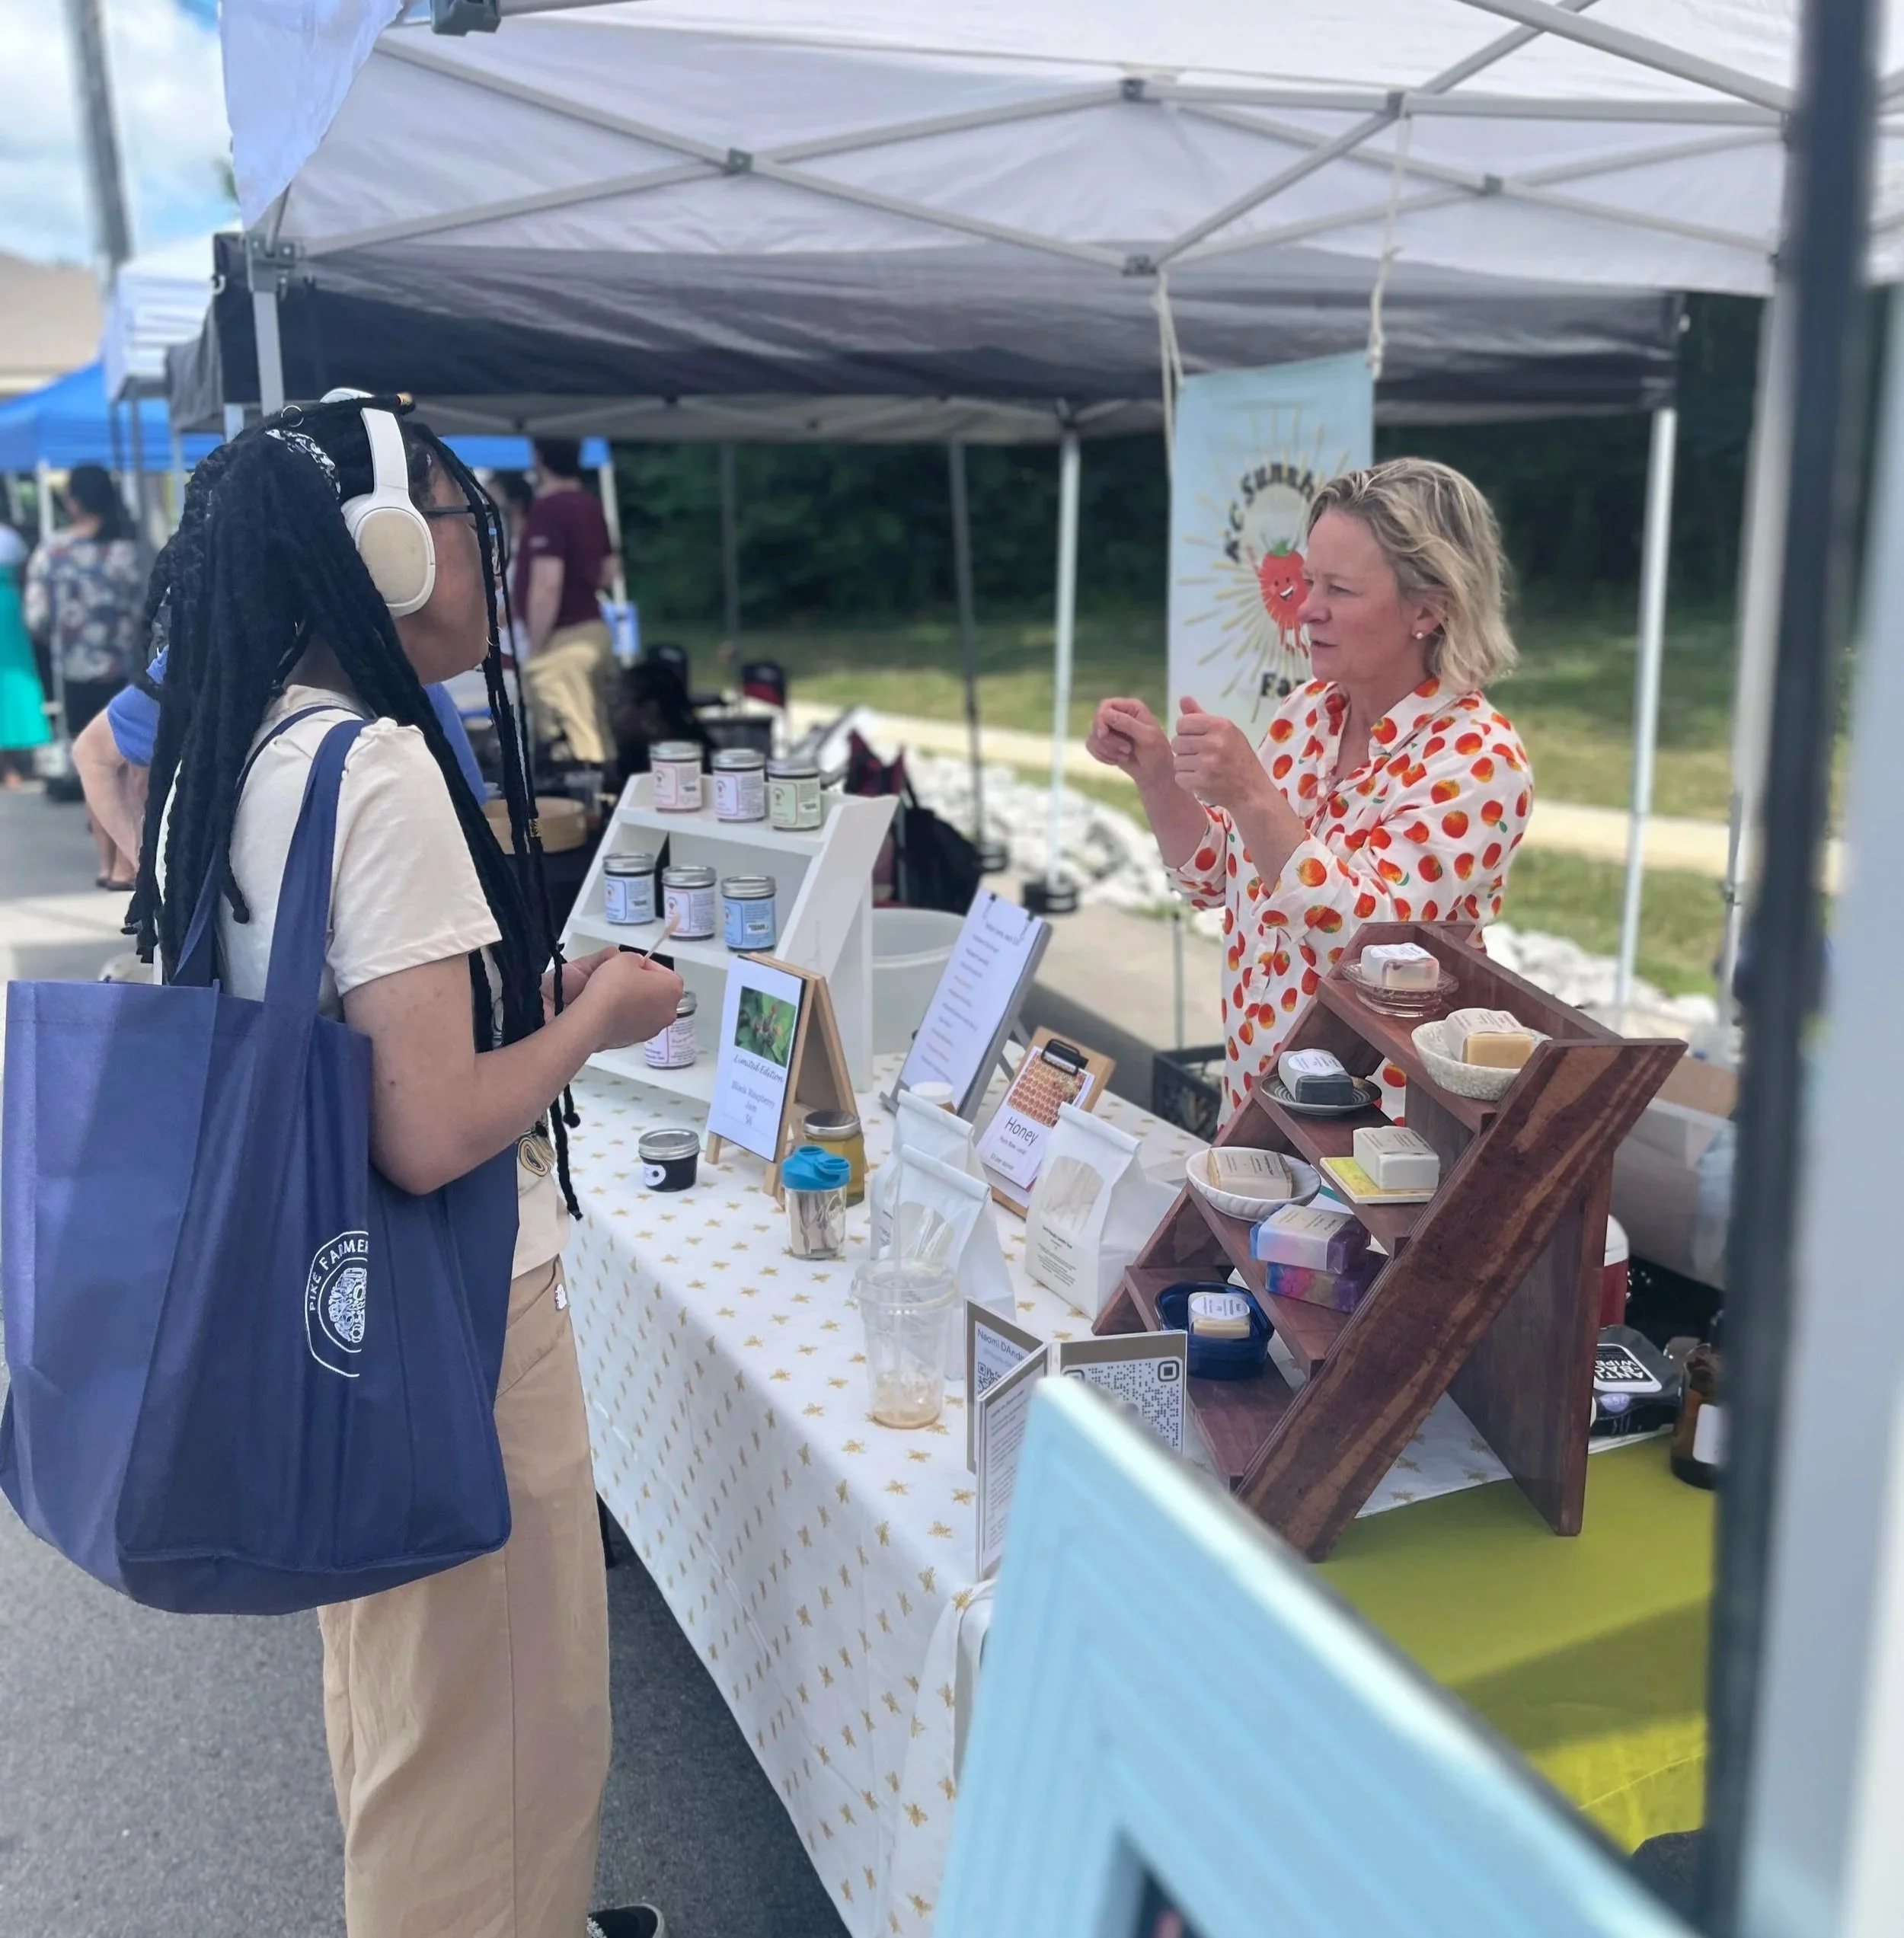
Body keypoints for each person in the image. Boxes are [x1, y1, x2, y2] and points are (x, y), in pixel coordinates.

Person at [126, 394, 679, 1938]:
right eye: (453, 518)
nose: (482, 557)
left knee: (411, 1708)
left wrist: (528, 1008)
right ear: (376, 545)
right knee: (501, 1732)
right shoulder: (372, 766)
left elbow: (355, 1043)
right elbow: (428, 1132)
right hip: (454, 1315)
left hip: (330, 1304)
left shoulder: (244, 738)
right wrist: (600, 1022)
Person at [1088, 458, 1532, 1122]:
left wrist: (1252, 796)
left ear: (1428, 608)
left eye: (1340, 590)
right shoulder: (1307, 711)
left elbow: (1372, 952)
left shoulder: (1478, 761)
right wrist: (1156, 774)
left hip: (1378, 1144)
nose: (1306, 608)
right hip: (1257, 1117)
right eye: (1308, 580)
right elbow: (1221, 879)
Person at [71, 645, 487, 880]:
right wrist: (153, 874)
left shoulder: (198, 657)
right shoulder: (197, 659)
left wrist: (153, 873)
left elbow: (92, 754)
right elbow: (470, 820)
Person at [24, 464, 145, 882]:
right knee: (130, 765)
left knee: (93, 764)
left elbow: (37, 617)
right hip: (129, 668)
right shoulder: (131, 549)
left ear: (73, 502)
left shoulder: (54, 552)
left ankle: (107, 863)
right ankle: (129, 861)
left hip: (76, 671)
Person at [513, 439, 616, 767]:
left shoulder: (550, 509)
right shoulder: (590, 505)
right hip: (594, 630)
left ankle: (587, 796)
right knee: (596, 730)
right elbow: (609, 572)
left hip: (564, 639)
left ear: (539, 459)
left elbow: (547, 585)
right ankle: (608, 793)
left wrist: (537, 648)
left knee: (573, 744)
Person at [0, 521, 50, 787]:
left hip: (9, 613)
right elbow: (26, 576)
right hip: (9, 611)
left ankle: (10, 766)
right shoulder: (10, 538)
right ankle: (13, 765)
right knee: (14, 684)